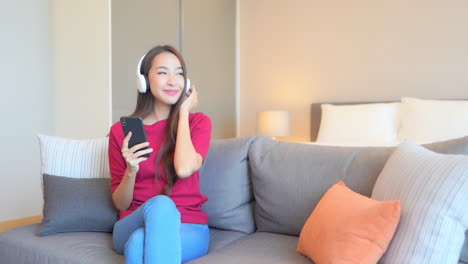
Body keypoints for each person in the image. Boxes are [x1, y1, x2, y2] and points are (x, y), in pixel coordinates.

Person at [108, 45, 212, 264]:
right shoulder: (120, 132)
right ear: (143, 81)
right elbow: (121, 204)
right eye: (163, 73)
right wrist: (131, 170)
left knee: (138, 243)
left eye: (180, 73)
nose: (173, 81)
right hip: (133, 222)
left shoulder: (198, 123)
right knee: (160, 205)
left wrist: (183, 113)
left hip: (189, 226)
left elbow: (183, 169)